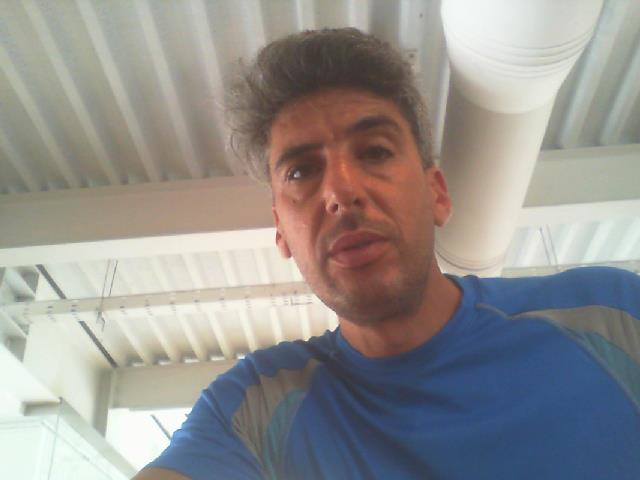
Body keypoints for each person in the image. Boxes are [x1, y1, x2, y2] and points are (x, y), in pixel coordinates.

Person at [134, 28, 640, 480]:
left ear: (437, 193)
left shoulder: (612, 315)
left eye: (374, 151)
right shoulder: (253, 408)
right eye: (301, 171)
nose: (341, 191)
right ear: (281, 232)